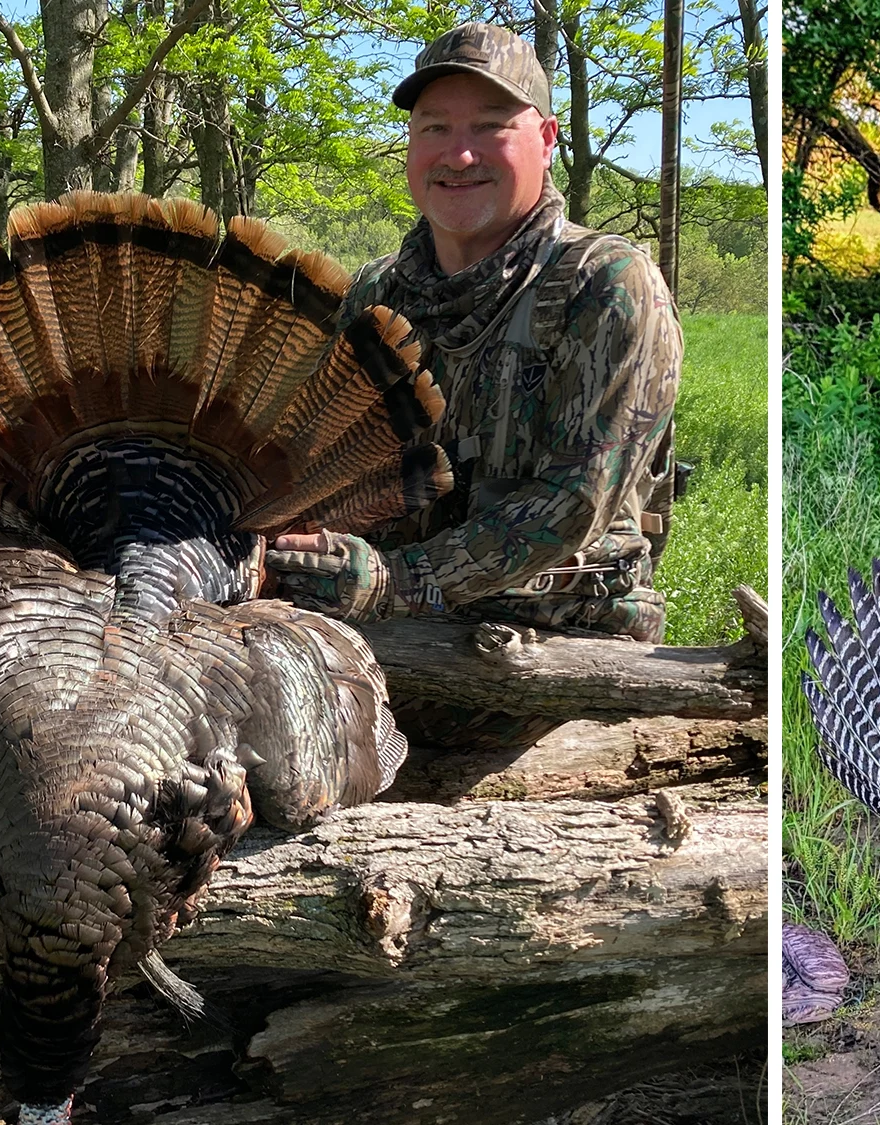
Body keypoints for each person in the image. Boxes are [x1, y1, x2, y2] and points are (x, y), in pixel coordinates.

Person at [264, 22, 683, 754]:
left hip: (551, 640)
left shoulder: (608, 285)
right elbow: (320, 461)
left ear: (547, 139)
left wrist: (394, 581)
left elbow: (571, 508)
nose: (459, 154)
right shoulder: (375, 291)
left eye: (491, 128)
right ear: (410, 146)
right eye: (435, 128)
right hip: (389, 622)